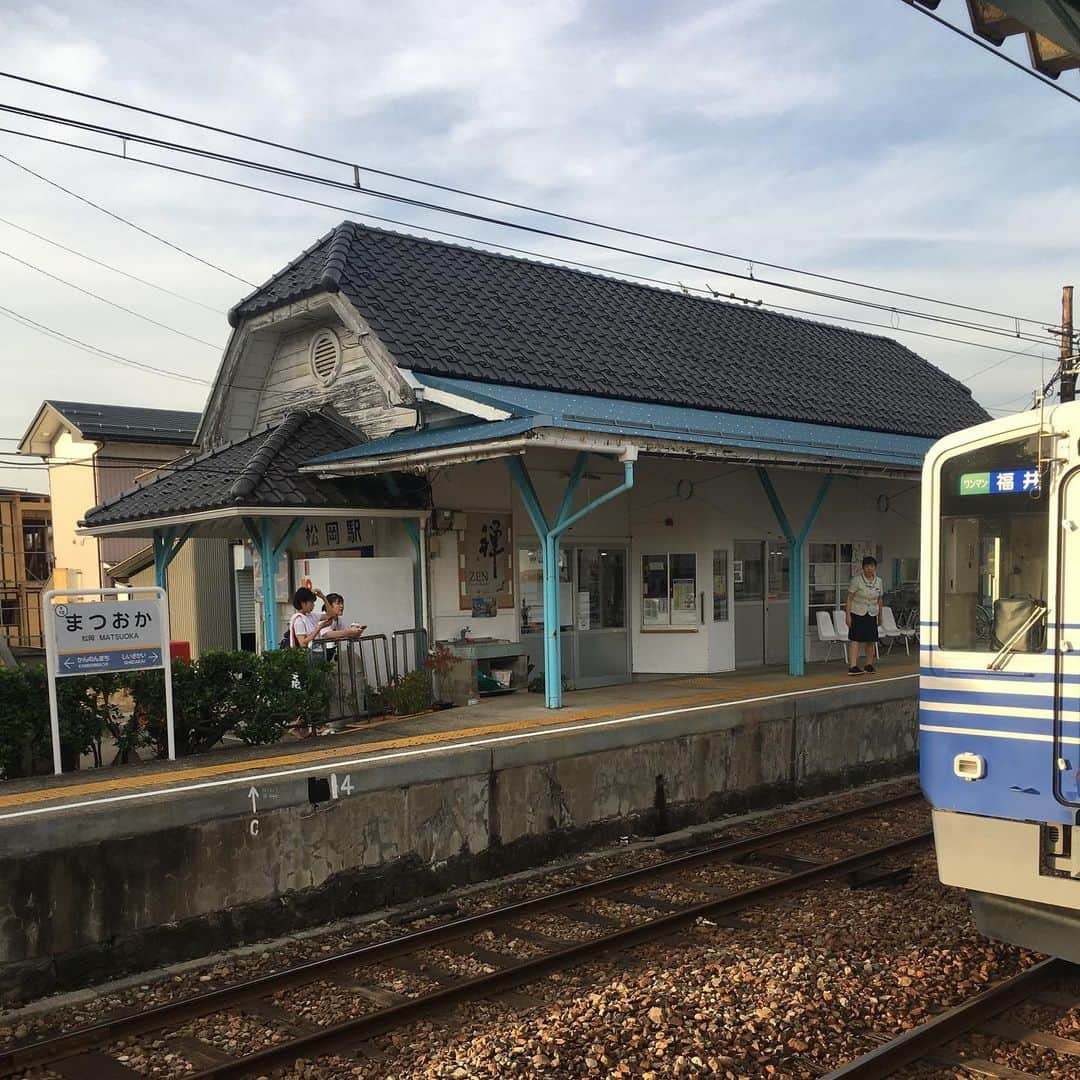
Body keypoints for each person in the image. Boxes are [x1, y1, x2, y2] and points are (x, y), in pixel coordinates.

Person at [846, 555, 884, 676]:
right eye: (867, 567)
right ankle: (853, 666)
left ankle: (869, 664)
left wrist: (880, 615)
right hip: (857, 612)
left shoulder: (879, 581)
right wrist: (847, 615)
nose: (870, 569)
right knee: (855, 639)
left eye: (872, 566)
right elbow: (849, 598)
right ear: (863, 568)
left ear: (875, 568)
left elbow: (880, 599)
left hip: (872, 612)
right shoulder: (856, 580)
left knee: (871, 640)